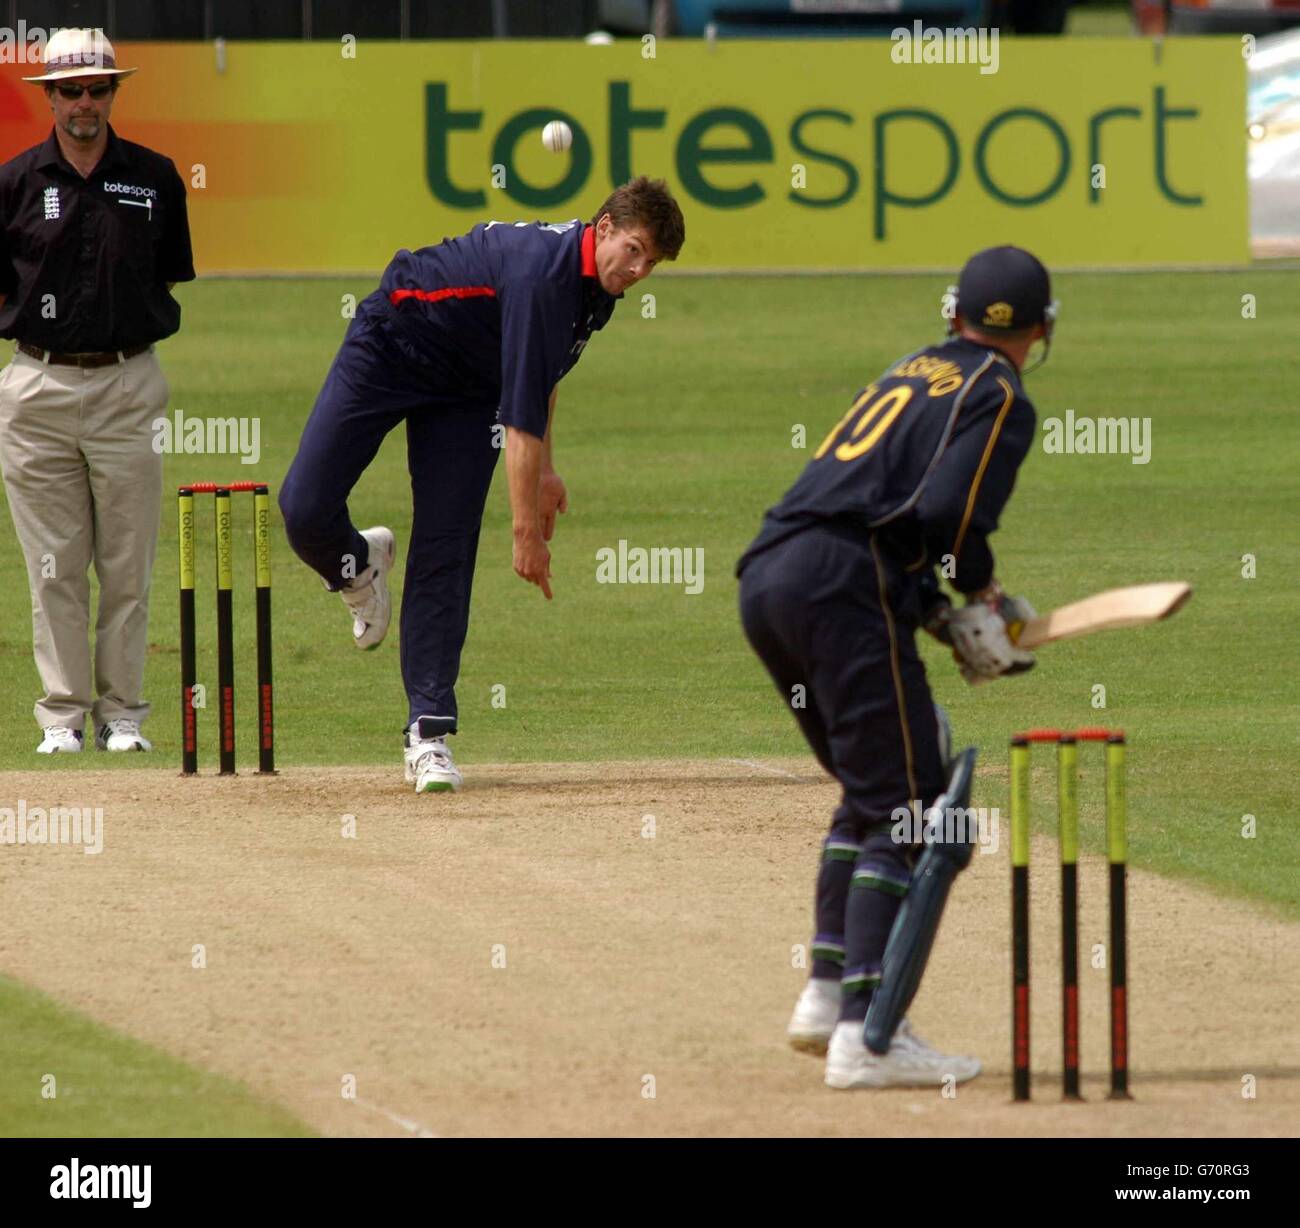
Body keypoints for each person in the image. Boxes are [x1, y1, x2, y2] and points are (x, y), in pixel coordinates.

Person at [736, 246, 1053, 1089]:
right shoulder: (1001, 393)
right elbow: (947, 514)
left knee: (876, 790)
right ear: (1040, 331)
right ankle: (867, 1038)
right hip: (844, 585)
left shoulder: (906, 371)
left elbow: (882, 508)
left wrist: (936, 614)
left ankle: (829, 990)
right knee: (912, 804)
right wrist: (979, 592)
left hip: (771, 575)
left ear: (953, 312)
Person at [279, 177, 685, 793]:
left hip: (468, 393)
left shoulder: (595, 289)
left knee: (446, 544)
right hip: (392, 342)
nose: (639, 271)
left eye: (651, 262)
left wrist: (546, 470)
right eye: (633, 250)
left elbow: (540, 372)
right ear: (602, 228)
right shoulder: (541, 275)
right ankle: (360, 566)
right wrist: (526, 534)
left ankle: (427, 733)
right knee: (303, 506)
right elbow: (518, 422)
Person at [0, 28, 195, 755]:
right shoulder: (14, 183)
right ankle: (61, 718)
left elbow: (169, 272)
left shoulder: (155, 176)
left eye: (98, 89)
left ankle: (123, 716)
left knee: (127, 562)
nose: (85, 103)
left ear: (115, 92)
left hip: (127, 380)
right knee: (54, 565)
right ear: (49, 97)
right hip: (36, 385)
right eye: (71, 91)